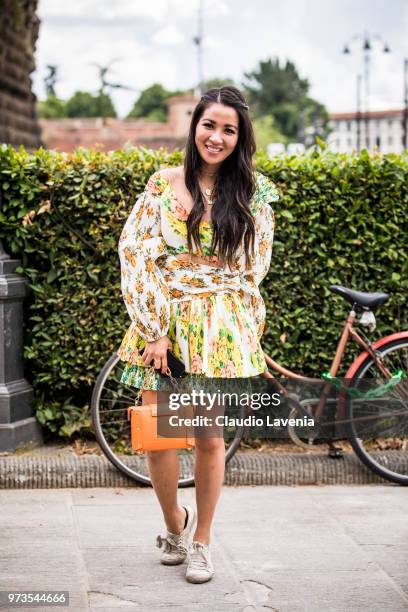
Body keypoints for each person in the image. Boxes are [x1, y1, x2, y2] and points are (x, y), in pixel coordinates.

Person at [117, 86, 279, 584]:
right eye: (210, 125)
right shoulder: (163, 186)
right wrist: (154, 328)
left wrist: (240, 325)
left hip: (217, 330)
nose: (217, 136)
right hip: (163, 324)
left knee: (209, 438)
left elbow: (255, 267)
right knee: (159, 439)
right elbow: (135, 254)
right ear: (195, 127)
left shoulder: (254, 192)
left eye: (229, 129)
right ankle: (174, 526)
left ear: (239, 137)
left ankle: (203, 541)